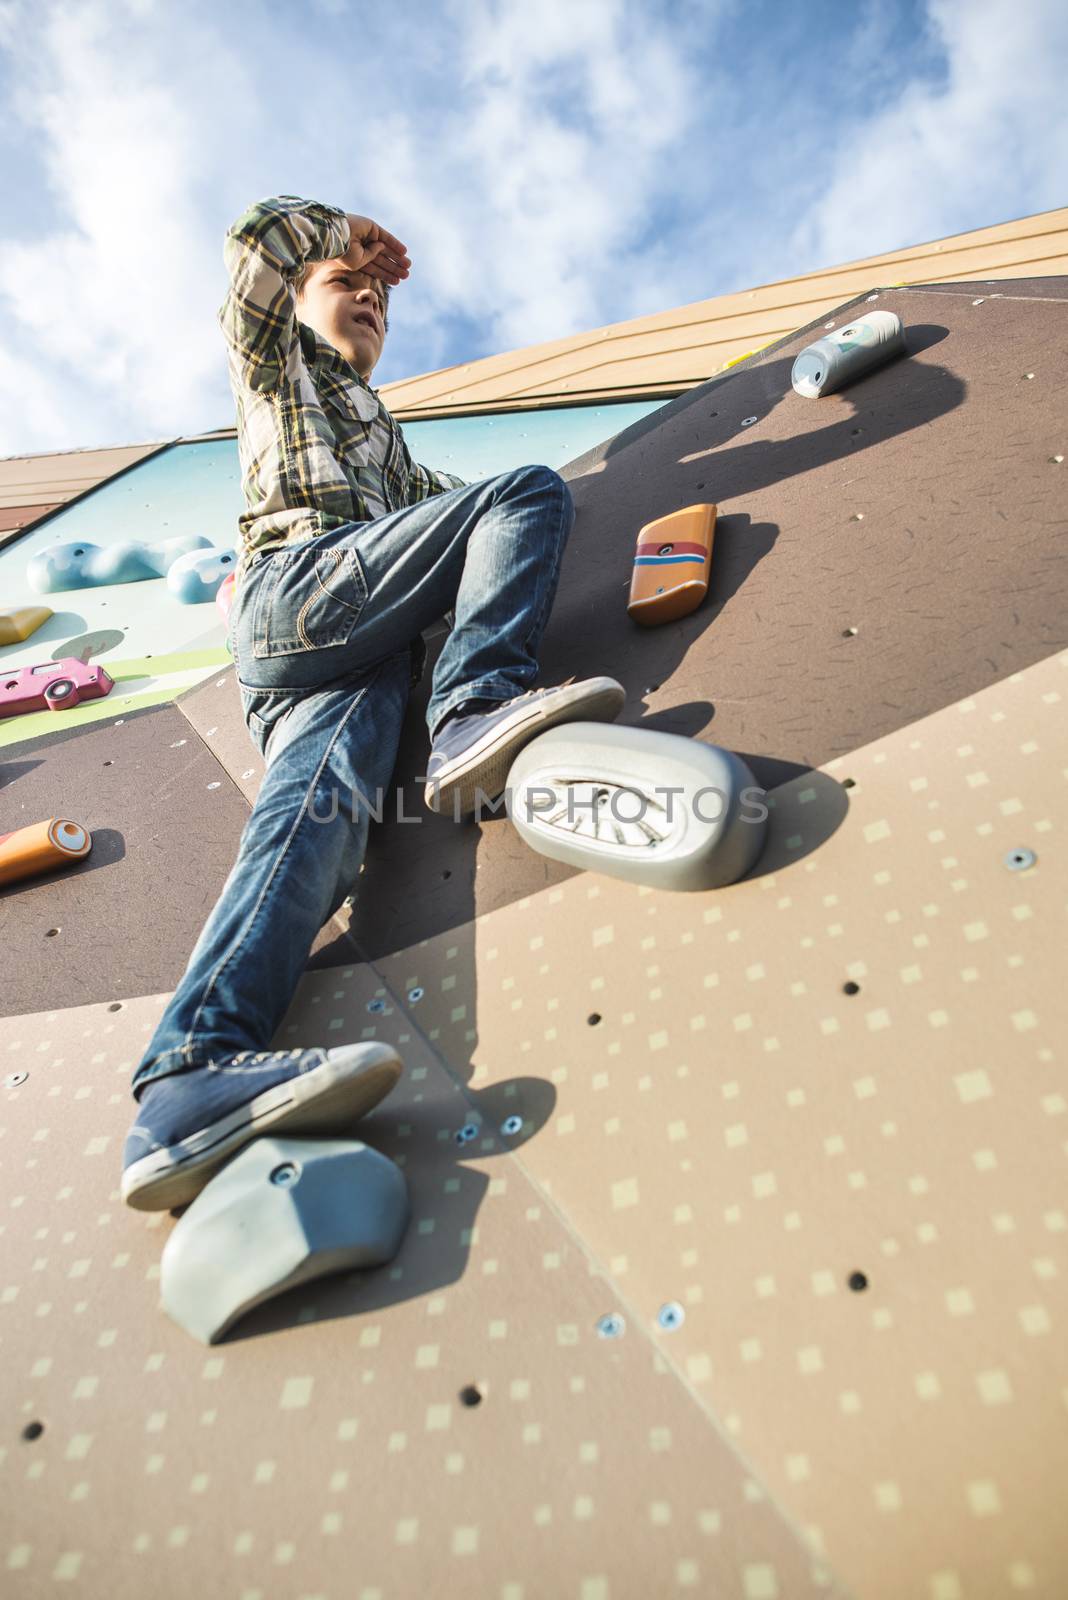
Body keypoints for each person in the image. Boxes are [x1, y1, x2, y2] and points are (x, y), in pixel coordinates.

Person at [120, 195, 624, 1212]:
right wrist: (342, 231)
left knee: (313, 830)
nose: (367, 301)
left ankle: (186, 1076)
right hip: (297, 593)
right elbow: (258, 246)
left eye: (379, 299)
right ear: (301, 307)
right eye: (346, 288)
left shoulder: (393, 452)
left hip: (343, 662)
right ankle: (472, 711)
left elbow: (460, 529)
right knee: (525, 494)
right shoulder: (280, 369)